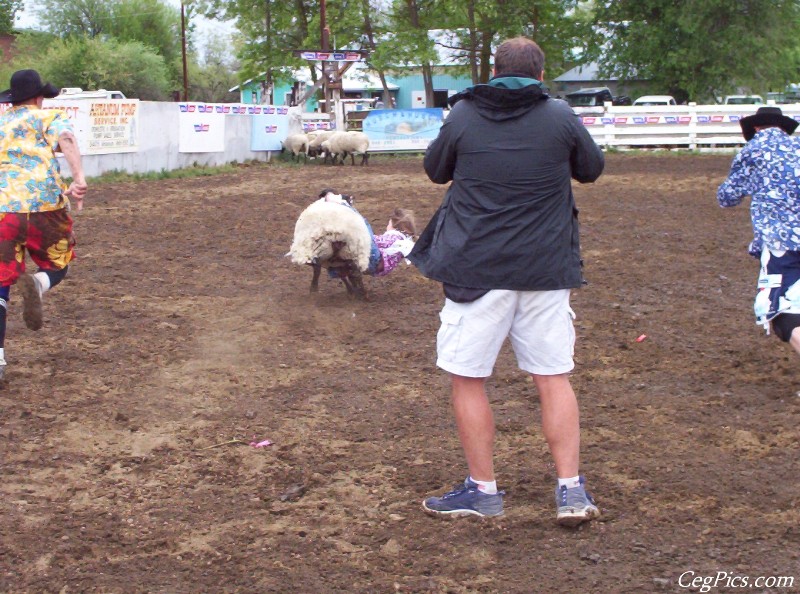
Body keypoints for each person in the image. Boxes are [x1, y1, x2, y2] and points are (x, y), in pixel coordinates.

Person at [407, 37, 605, 526]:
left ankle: (483, 490)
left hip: (476, 269)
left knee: (468, 379)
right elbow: (592, 169)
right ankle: (571, 491)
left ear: (493, 71)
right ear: (541, 75)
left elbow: (435, 172)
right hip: (544, 267)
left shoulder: (464, 115)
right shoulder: (559, 114)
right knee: (552, 375)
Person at [0, 69, 88, 381]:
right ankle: (39, 284)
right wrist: (78, 179)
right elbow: (66, 139)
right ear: (39, 97)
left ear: (11, 100)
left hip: (3, 210)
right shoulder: (48, 117)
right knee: (59, 263)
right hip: (44, 207)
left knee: (0, 281)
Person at [717, 106, 800, 353]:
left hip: (781, 245)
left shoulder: (752, 151)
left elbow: (727, 197)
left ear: (755, 127)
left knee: (783, 316)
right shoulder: (797, 149)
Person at [320, 190, 416, 276]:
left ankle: (342, 202)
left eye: (389, 224)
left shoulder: (396, 237)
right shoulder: (403, 243)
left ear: (395, 227)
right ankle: (337, 270)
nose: (387, 227)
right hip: (372, 266)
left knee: (362, 223)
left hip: (374, 259)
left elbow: (378, 242)